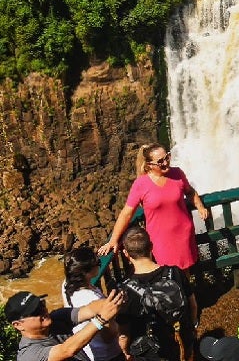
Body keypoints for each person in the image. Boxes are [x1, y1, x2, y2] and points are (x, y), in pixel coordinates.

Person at [98, 144, 208, 272]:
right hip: (160, 238)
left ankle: (186, 292)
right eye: (160, 161)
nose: (166, 162)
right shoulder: (141, 184)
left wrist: (200, 207)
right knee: (166, 274)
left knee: (184, 274)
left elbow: (189, 192)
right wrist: (113, 240)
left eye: (167, 157)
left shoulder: (177, 173)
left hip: (183, 233)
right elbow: (126, 213)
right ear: (149, 165)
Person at [118, 227, 196, 361]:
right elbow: (193, 304)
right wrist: (192, 328)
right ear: (151, 246)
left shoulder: (124, 290)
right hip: (181, 341)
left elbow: (124, 332)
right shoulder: (175, 273)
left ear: (126, 253)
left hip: (149, 352)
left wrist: (124, 351)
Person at [6, 289, 123, 361]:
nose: (43, 310)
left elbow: (89, 309)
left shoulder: (56, 318)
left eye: (42, 304)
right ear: (18, 325)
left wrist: (113, 301)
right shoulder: (29, 354)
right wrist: (101, 319)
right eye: (35, 312)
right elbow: (66, 350)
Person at [61, 247, 126, 361]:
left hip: (87, 350)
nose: (100, 265)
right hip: (107, 354)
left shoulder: (66, 284)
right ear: (86, 273)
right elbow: (108, 336)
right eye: (98, 263)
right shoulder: (92, 298)